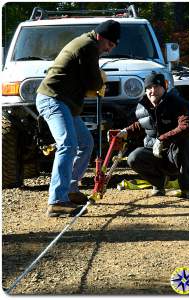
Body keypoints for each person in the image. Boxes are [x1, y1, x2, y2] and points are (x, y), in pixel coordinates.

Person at [36, 20, 121, 217]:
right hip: (53, 99)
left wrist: (96, 81)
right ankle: (57, 200)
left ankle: (70, 189)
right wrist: (100, 82)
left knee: (85, 142)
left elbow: (89, 79)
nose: (109, 50)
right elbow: (92, 81)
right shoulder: (88, 46)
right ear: (101, 37)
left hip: (64, 102)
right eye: (110, 45)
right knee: (68, 144)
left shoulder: (88, 44)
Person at [117, 72, 189, 199]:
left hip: (174, 154)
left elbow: (186, 126)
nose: (153, 91)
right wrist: (125, 132)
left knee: (184, 142)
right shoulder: (141, 107)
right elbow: (143, 124)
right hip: (154, 153)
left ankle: (187, 188)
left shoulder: (177, 103)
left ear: (164, 88)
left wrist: (162, 139)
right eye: (149, 88)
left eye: (157, 87)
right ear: (145, 90)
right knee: (133, 158)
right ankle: (158, 184)